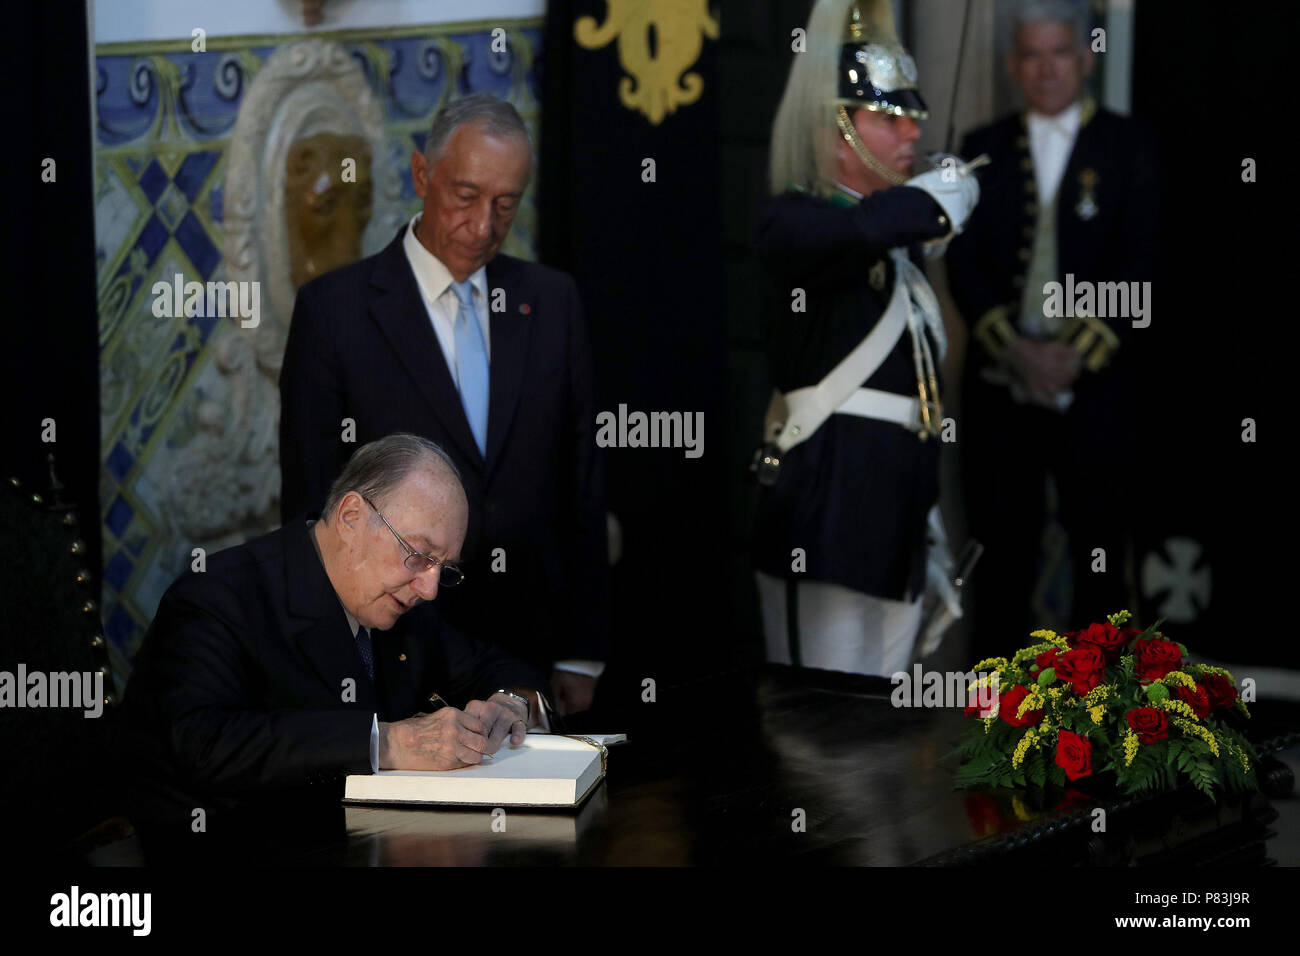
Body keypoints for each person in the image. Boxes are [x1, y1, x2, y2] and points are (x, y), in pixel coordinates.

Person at [279, 94, 609, 715]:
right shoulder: (335, 313)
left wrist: (581, 652)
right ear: (422, 176)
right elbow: (309, 508)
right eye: (465, 197)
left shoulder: (552, 301)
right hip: (396, 656)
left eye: (505, 205)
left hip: (530, 653)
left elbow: (582, 489)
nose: (483, 226)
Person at [121, 434, 549, 829]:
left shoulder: (404, 602)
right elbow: (207, 744)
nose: (431, 588)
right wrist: (388, 744)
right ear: (351, 517)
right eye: (419, 556)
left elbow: (493, 665)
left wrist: (509, 703)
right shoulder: (217, 596)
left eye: (445, 568)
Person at [750, 0, 980, 676]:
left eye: (912, 115)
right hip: (824, 517)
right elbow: (862, 230)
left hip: (898, 517)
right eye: (887, 117)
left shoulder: (904, 250)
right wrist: (941, 197)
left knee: (879, 746)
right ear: (834, 129)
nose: (912, 130)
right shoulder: (793, 223)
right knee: (816, 733)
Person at [946, 0, 1158, 661]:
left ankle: (1102, 725)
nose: (1045, 70)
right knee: (1001, 550)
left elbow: (1142, 259)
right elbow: (964, 260)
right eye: (1031, 56)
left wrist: (1069, 357)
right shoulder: (981, 147)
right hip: (999, 386)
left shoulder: (1130, 147)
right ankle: (997, 726)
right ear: (1013, 65)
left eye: (1058, 53)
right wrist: (1013, 349)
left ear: (1086, 57)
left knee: (1100, 551)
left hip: (1096, 392)